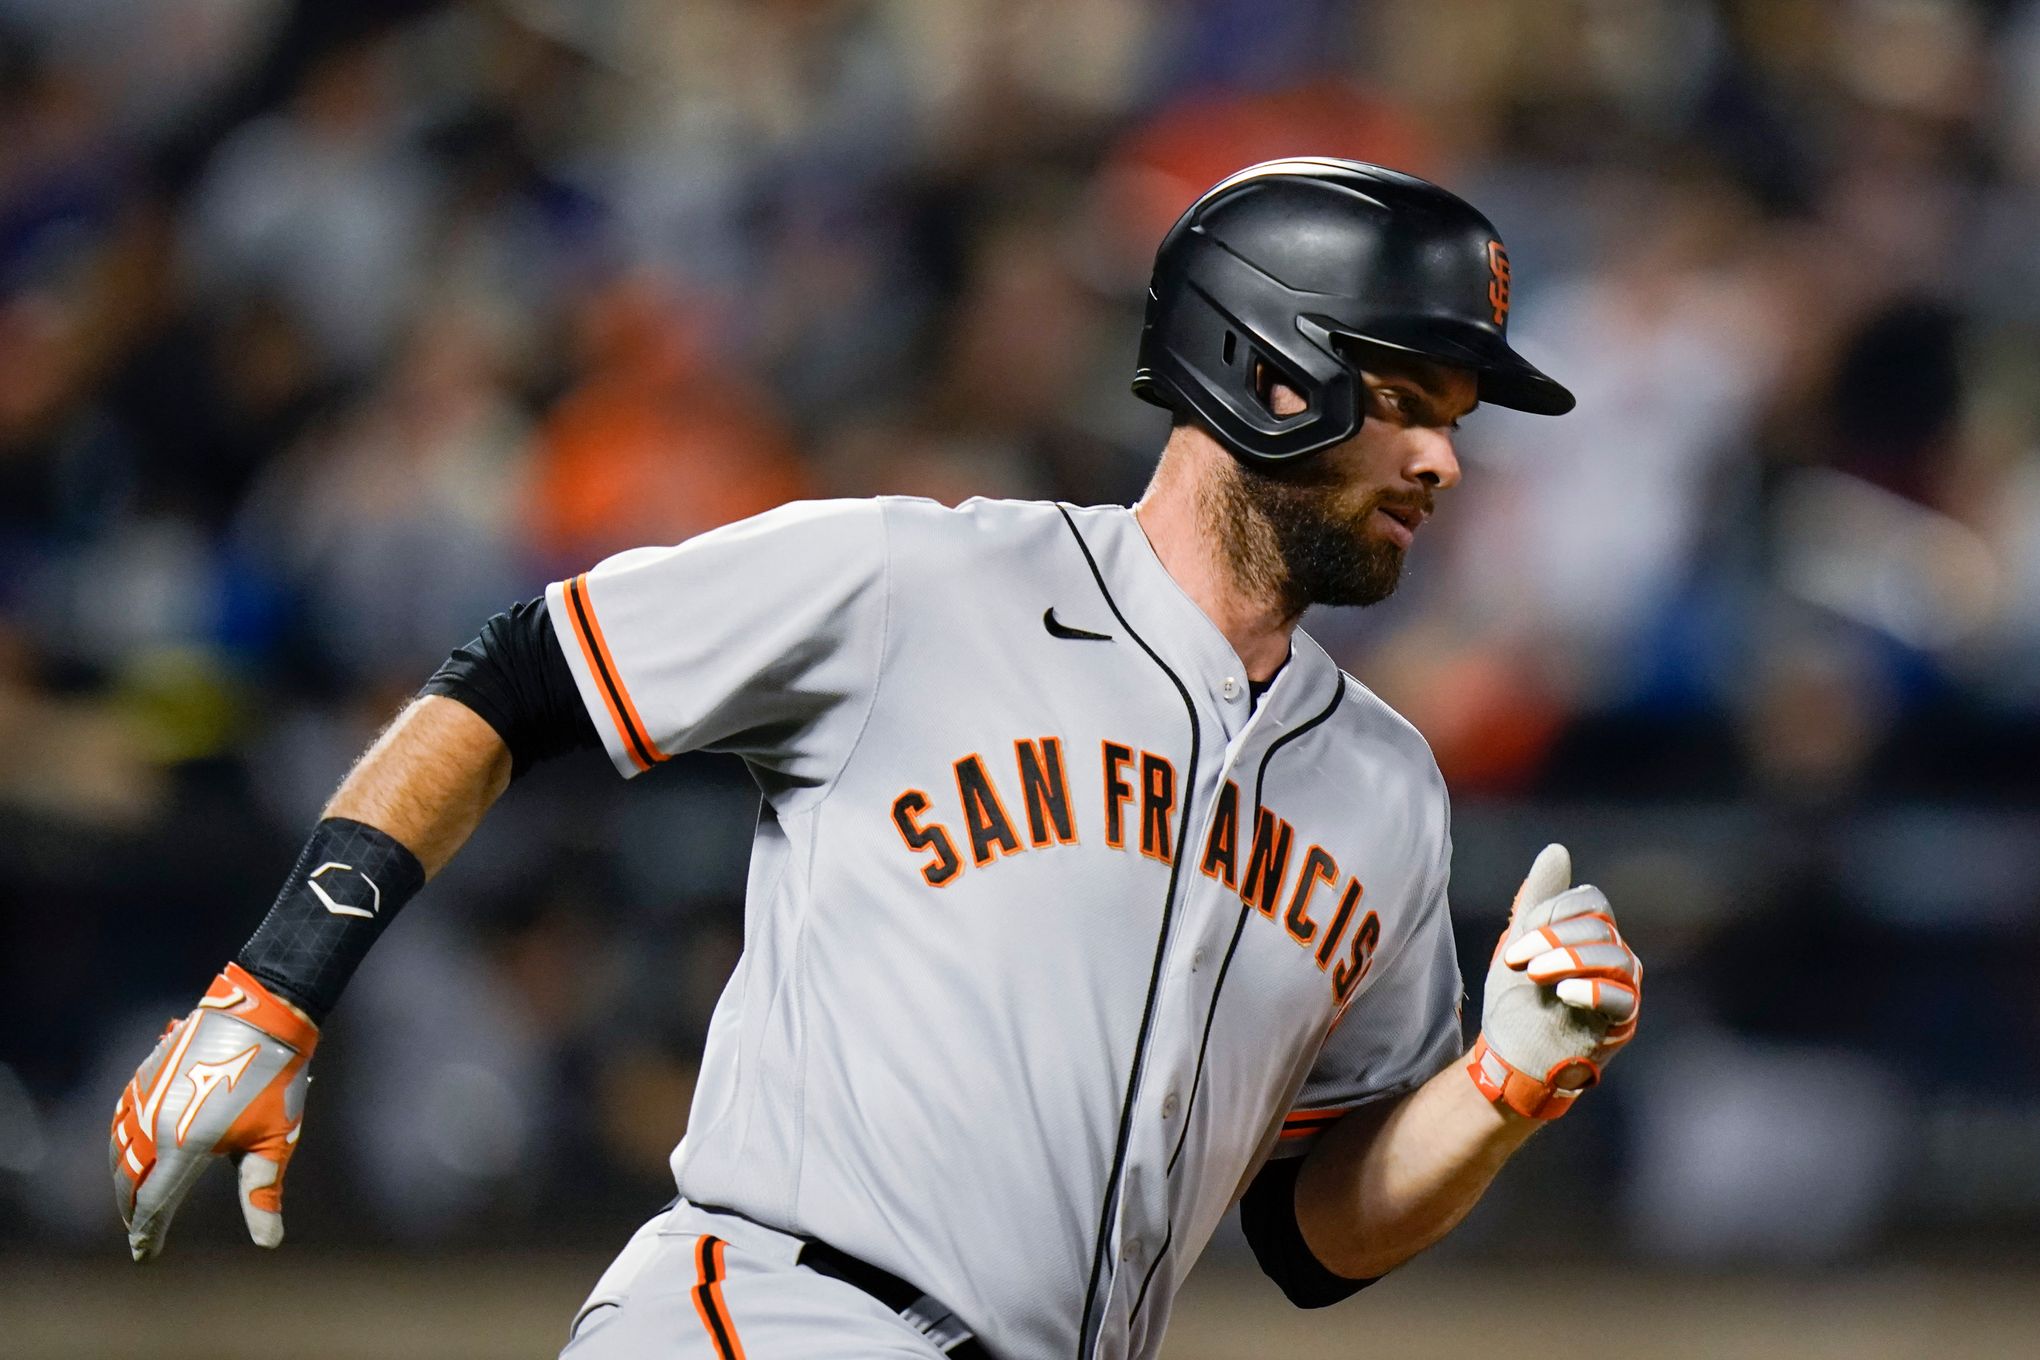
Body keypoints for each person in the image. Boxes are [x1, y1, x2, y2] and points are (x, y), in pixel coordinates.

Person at [111, 159, 1642, 1360]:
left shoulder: (1383, 787)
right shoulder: (922, 582)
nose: (1443, 458)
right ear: (1262, 363)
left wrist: (1502, 1087)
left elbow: (1313, 1237)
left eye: (1452, 419)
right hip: (772, 1319)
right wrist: (274, 986)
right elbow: (524, 673)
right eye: (1403, 401)